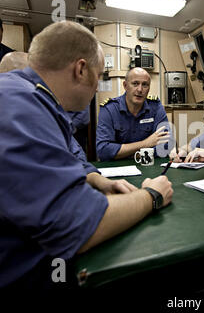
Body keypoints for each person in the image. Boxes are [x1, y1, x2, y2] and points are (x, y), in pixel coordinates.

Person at [0, 21, 173, 289]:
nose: (97, 87)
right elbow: (77, 227)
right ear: (81, 70)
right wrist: (152, 195)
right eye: (100, 76)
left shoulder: (30, 98)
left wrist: (97, 180)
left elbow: (67, 158)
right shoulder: (22, 107)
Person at [96, 67, 171, 161]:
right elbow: (103, 151)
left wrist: (130, 155)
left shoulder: (155, 107)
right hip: (117, 169)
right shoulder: (109, 109)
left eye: (145, 85)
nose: (140, 89)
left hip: (148, 167)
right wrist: (145, 143)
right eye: (135, 84)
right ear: (125, 85)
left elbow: (166, 145)